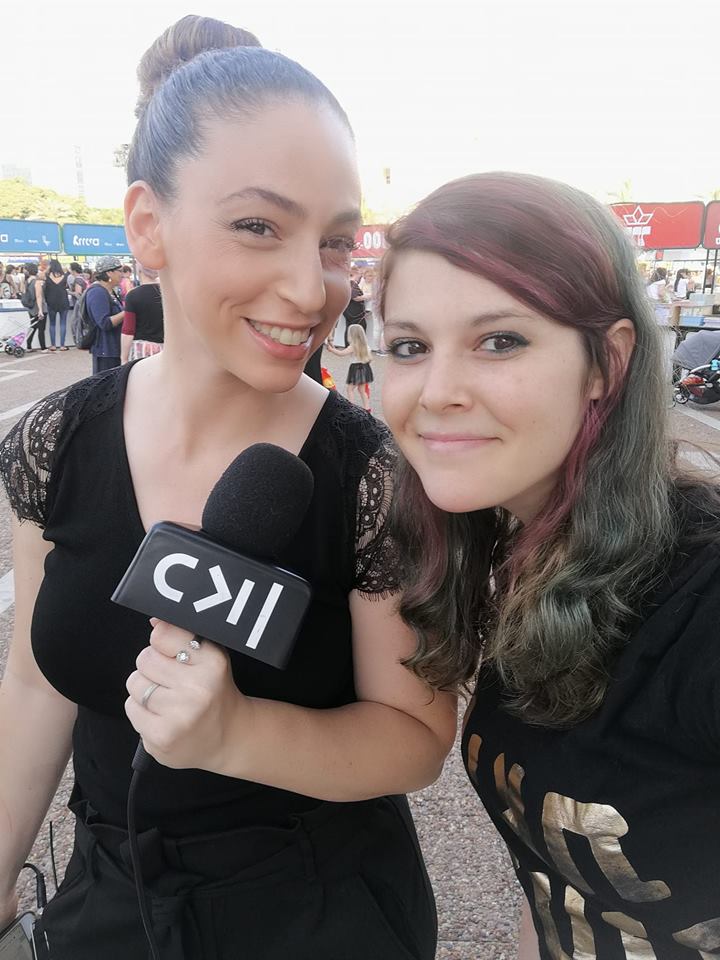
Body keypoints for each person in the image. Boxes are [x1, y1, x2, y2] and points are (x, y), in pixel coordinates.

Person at [0, 15, 454, 960]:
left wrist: (237, 733)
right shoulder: (57, 441)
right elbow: (37, 682)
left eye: (335, 243)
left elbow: (413, 737)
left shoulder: (374, 475)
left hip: (318, 911)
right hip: (109, 903)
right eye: (258, 226)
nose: (310, 290)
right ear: (148, 226)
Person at [378, 170, 720, 959]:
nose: (437, 391)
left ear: (607, 362)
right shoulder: (519, 555)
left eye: (500, 340)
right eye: (410, 346)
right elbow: (557, 887)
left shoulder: (700, 603)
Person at [86, 255, 125, 372]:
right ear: (109, 273)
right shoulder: (97, 292)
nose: (122, 274)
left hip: (113, 348)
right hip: (105, 350)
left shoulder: (110, 291)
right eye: (119, 271)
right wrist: (127, 312)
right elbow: (104, 323)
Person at [120, 262, 164, 362]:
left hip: (142, 350)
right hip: (166, 349)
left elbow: (128, 331)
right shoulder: (167, 293)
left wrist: (124, 358)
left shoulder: (133, 295)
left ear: (139, 271)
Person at [326, 322, 374, 410]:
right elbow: (370, 358)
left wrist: (331, 350)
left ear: (352, 335)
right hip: (365, 368)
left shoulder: (353, 346)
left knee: (350, 389)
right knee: (362, 390)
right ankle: (367, 408)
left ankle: (351, 407)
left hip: (356, 369)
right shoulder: (366, 346)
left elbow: (341, 353)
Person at [44, 259, 71, 351]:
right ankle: (62, 345)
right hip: (63, 301)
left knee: (52, 324)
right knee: (63, 323)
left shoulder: (47, 276)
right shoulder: (65, 276)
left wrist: (47, 269)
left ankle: (53, 345)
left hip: (51, 302)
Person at [22, 262, 47, 352]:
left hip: (31, 308)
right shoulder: (37, 282)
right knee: (41, 328)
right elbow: (39, 296)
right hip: (39, 307)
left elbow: (24, 293)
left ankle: (29, 346)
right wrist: (40, 310)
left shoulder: (26, 281)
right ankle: (43, 347)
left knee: (33, 327)